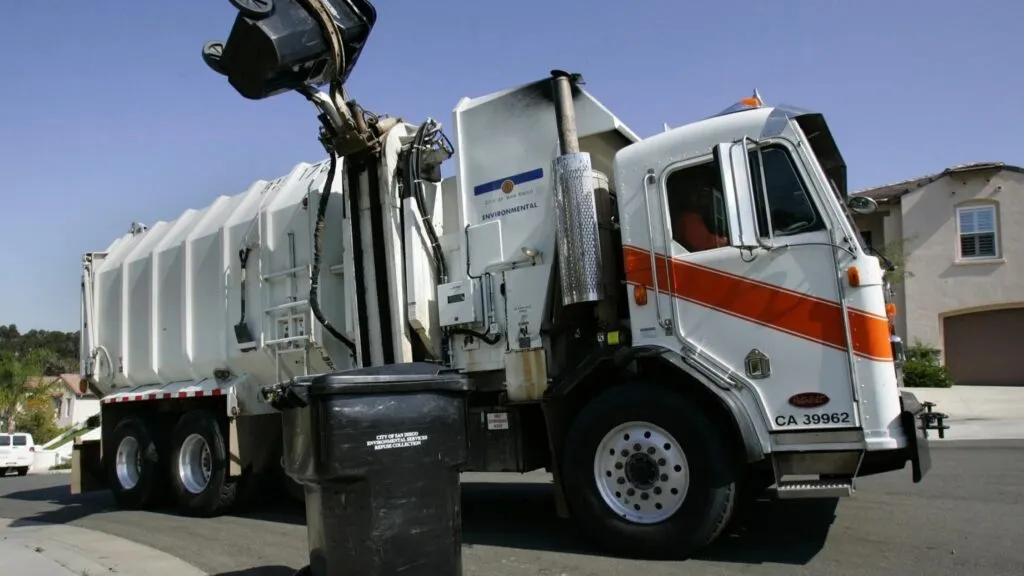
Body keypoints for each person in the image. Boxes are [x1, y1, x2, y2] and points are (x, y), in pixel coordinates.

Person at [673, 183, 729, 252]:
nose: (704, 198)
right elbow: (702, 244)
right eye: (700, 194)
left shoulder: (695, 217)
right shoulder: (688, 219)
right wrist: (724, 241)